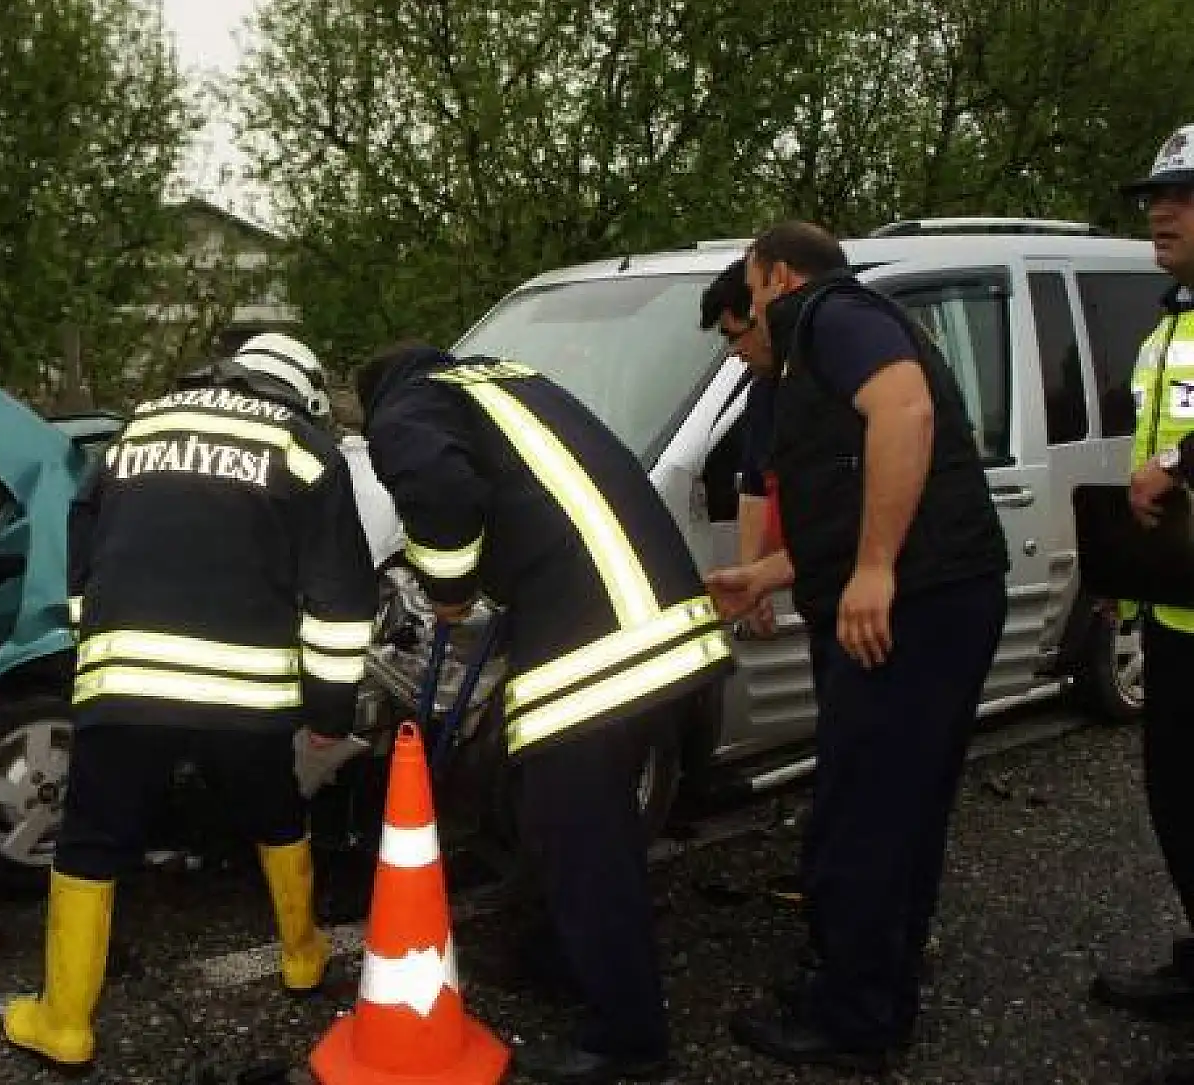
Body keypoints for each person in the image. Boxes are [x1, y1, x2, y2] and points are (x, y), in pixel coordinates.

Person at [355, 344, 734, 1083]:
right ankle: (563, 956)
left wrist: (451, 585)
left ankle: (627, 1039)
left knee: (578, 832)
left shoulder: (404, 408)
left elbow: (440, 488)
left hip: (602, 640)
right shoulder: (507, 384)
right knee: (565, 817)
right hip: (655, 615)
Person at [2, 333, 379, 1074]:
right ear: (299, 390)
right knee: (275, 810)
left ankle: (66, 1021)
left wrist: (98, 650)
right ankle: (303, 955)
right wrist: (330, 714)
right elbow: (338, 600)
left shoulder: (138, 426)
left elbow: (83, 552)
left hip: (127, 682)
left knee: (91, 837)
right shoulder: (304, 447)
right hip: (247, 694)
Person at [703, 221, 1009, 1071]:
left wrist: (875, 571)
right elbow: (854, 494)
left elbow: (904, 408)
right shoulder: (828, 339)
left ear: (775, 273)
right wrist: (767, 573)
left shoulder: (830, 312)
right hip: (942, 596)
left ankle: (856, 1019)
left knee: (863, 813)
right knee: (892, 808)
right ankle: (867, 985)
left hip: (921, 604)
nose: (754, 305)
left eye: (754, 285)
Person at [1089, 123, 1194, 1084]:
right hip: (1173, 614)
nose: (1160, 211)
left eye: (1184, 195)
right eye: (1156, 195)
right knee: (1174, 800)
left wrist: (1178, 464)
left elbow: (1170, 464)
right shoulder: (1169, 324)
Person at [699, 257, 779, 636]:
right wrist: (752, 577)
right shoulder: (764, 389)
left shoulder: (827, 380)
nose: (733, 351)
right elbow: (755, 485)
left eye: (734, 335)